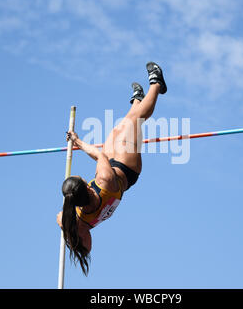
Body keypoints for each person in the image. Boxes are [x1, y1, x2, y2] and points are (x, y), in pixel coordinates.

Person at [56, 62, 167, 275]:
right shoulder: (103, 179)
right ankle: (157, 83)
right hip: (126, 170)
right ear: (87, 188)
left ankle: (137, 100)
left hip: (113, 168)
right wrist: (77, 141)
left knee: (118, 130)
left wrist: (68, 233)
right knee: (135, 122)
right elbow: (99, 155)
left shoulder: (76, 219)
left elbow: (60, 218)